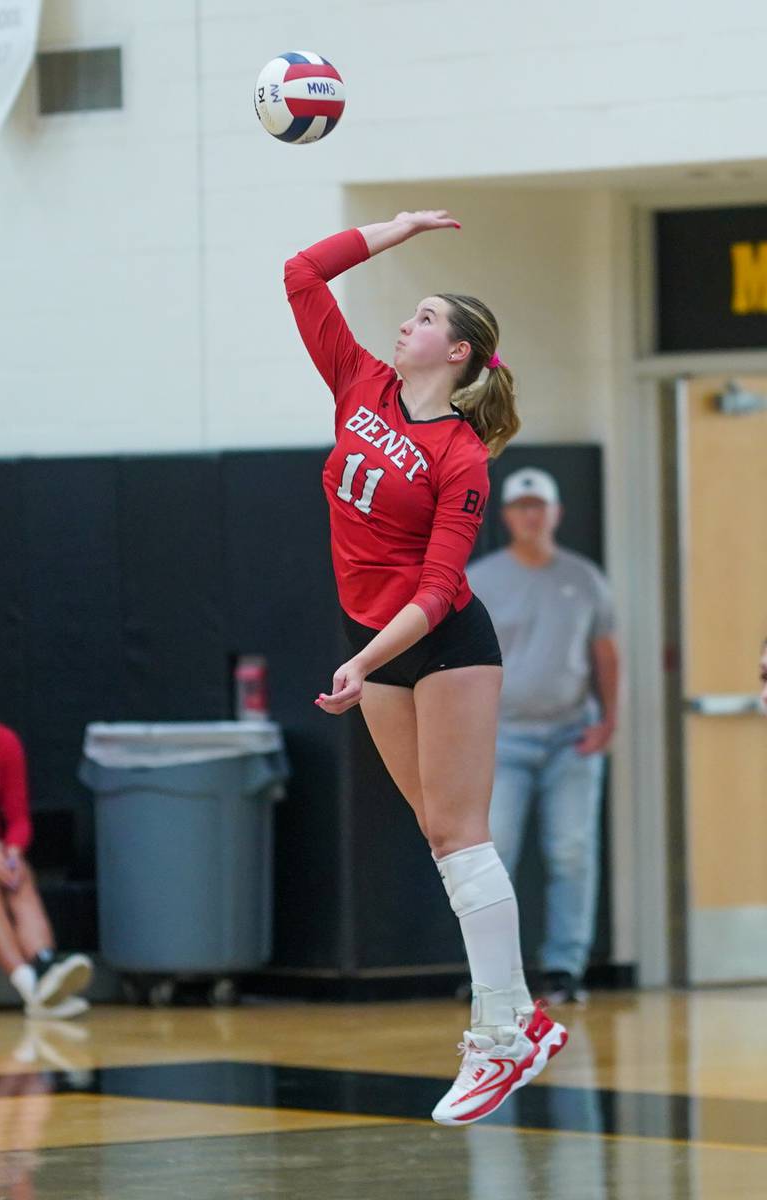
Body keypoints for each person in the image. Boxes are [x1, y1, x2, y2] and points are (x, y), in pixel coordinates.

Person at [284, 209, 567, 1127]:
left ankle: (499, 1036)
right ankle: (520, 1019)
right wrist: (396, 229)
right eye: (408, 312)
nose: (406, 324)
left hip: (436, 645)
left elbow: (443, 589)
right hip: (376, 645)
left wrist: (364, 659)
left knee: (461, 836)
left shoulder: (462, 456)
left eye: (424, 316)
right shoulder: (360, 383)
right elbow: (300, 274)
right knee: (445, 845)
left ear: (458, 354)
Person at [467, 468, 619, 1005]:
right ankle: (494, 973)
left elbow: (604, 652)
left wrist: (608, 720)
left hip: (570, 737)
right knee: (493, 851)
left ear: (555, 512)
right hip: (502, 739)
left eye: (540, 506)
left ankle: (564, 967)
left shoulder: (584, 579)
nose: (531, 516)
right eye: (521, 507)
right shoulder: (481, 578)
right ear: (507, 516)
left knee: (571, 851)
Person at [0, 651, 93, 1019]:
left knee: (19, 878)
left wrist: (13, 851)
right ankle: (28, 985)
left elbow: (19, 817)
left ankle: (46, 967)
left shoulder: (4, 742)